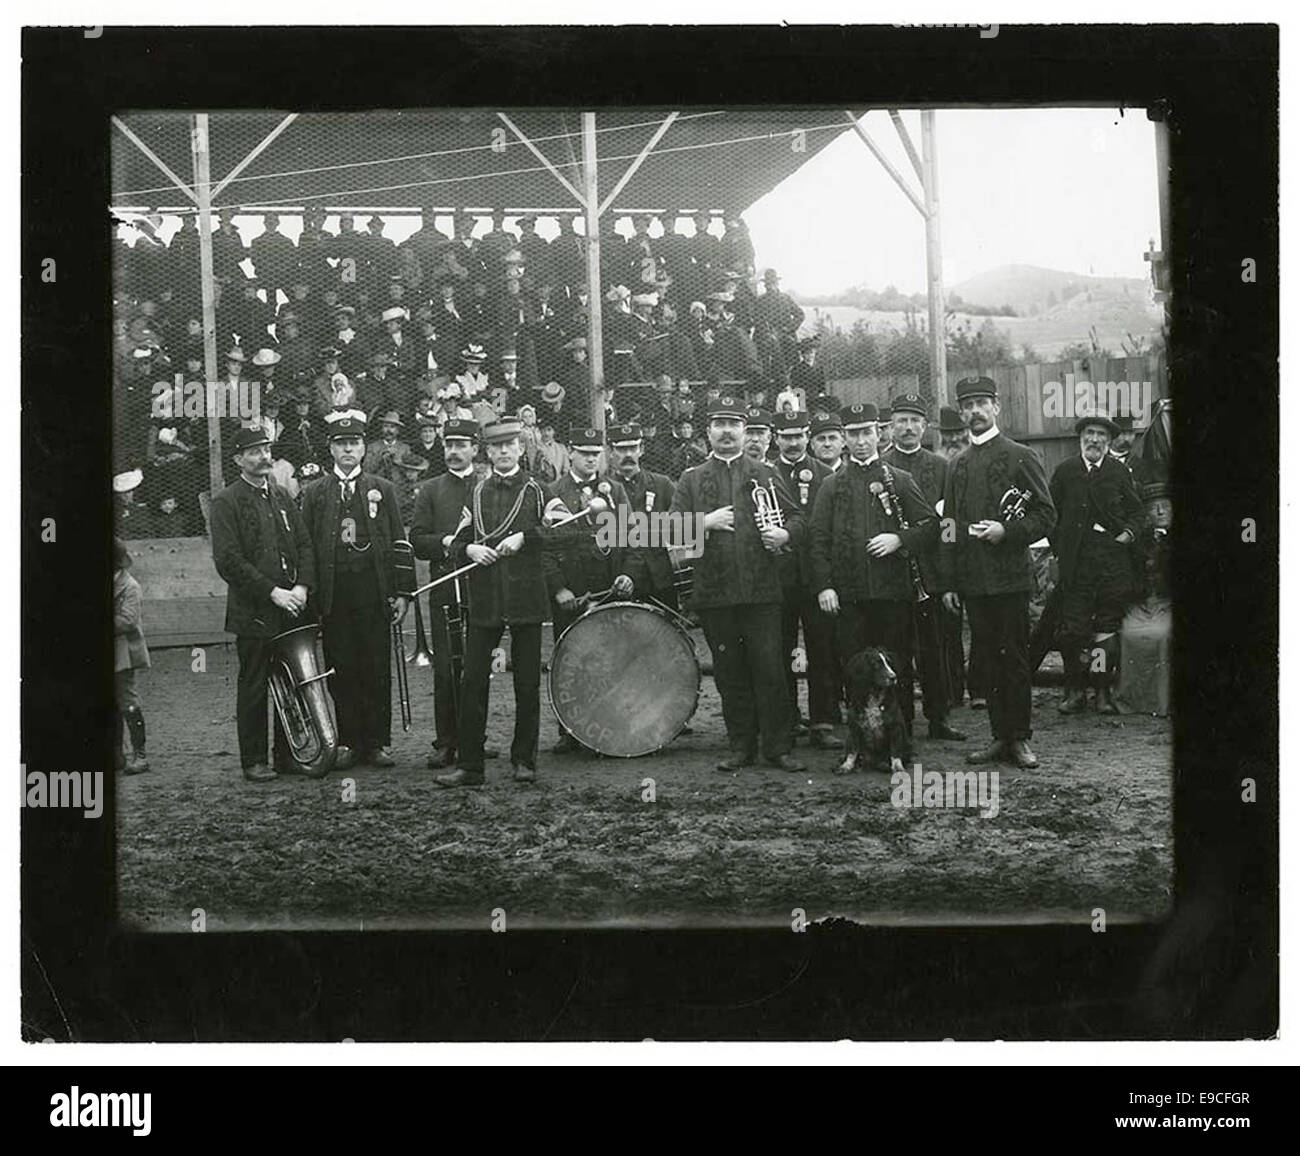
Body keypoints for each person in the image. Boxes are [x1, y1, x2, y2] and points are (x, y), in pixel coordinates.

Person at [668, 395, 807, 773]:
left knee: (770, 670)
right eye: (719, 424)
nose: (727, 431)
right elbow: (668, 531)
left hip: (762, 593)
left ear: (746, 431)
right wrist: (704, 522)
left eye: (734, 424)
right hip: (715, 594)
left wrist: (784, 534)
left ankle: (777, 748)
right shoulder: (691, 479)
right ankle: (740, 747)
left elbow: (798, 520)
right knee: (730, 674)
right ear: (708, 432)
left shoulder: (765, 472)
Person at [436, 415, 563, 787]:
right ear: (487, 452)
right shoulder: (476, 492)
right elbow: (457, 542)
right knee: (473, 681)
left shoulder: (539, 491)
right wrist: (471, 549)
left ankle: (524, 761)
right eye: (497, 447)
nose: (504, 452)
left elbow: (566, 532)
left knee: (526, 685)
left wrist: (526, 538)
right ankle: (470, 767)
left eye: (510, 445)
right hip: (486, 601)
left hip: (526, 600)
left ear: (521, 449)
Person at [937, 377, 1055, 770]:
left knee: (1015, 660)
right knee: (986, 659)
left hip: (1009, 578)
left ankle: (1019, 739)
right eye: (967, 405)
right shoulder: (957, 465)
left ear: (997, 407)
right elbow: (949, 525)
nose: (974, 411)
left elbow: (1046, 515)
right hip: (972, 581)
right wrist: (950, 581)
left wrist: (1007, 531)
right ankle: (997, 737)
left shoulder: (1021, 455)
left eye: (981, 403)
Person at [809, 403, 937, 761]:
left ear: (879, 433)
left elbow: (930, 527)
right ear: (845, 440)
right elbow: (817, 539)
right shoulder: (831, 485)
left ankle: (900, 745)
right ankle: (860, 746)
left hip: (892, 594)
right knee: (855, 670)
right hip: (848, 597)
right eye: (853, 434)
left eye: (867, 432)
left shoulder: (901, 479)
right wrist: (825, 586)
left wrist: (900, 540)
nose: (861, 441)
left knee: (897, 669)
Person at [299, 410, 410, 769]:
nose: (348, 449)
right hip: (335, 596)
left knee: (376, 666)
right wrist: (311, 595)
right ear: (330, 449)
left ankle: (377, 742)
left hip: (374, 593)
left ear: (364, 448)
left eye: (354, 443)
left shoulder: (383, 489)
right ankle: (348, 741)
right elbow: (306, 548)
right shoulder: (314, 493)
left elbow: (399, 543)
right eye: (341, 443)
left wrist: (402, 593)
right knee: (341, 667)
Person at [209, 426, 315, 782]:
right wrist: (273, 592)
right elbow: (228, 561)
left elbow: (304, 544)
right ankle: (254, 761)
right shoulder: (226, 501)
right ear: (238, 459)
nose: (264, 456)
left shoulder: (283, 495)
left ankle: (288, 755)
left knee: (294, 683)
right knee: (254, 684)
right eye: (254, 451)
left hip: (291, 605)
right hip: (254, 610)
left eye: (267, 449)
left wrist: (301, 586)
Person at [542, 427, 633, 752]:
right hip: (571, 595)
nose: (591, 458)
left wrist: (627, 576)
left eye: (596, 453)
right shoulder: (552, 492)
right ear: (570, 453)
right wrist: (559, 589)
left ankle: (612, 728)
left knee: (614, 660)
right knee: (572, 662)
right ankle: (570, 731)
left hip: (610, 590)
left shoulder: (616, 492)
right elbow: (546, 548)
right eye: (584, 452)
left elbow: (631, 538)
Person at [883, 394, 966, 741]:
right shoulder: (880, 464)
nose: (908, 427)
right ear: (890, 427)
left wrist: (947, 579)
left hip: (930, 573)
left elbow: (948, 523)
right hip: (891, 574)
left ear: (924, 426)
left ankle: (939, 717)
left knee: (935, 650)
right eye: (901, 421)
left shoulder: (940, 466)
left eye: (914, 421)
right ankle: (900, 718)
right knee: (897, 650)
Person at [1049, 414, 1142, 715]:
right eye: (1090, 433)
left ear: (1109, 441)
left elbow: (1137, 514)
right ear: (1081, 437)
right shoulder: (1065, 472)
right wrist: (1059, 549)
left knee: (1105, 630)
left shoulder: (1119, 472)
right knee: (1072, 632)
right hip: (1076, 567)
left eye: (1102, 435)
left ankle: (1102, 691)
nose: (1095, 439)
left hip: (1112, 566)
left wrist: (1127, 535)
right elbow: (1049, 515)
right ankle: (1075, 691)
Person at [410, 418, 481, 770]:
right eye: (448, 445)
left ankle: (475, 739)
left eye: (461, 445)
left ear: (475, 450)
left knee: (477, 665)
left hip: (482, 586)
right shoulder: (430, 490)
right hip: (444, 584)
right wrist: (448, 542)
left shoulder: (487, 485)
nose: (454, 452)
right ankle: (446, 740)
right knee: (446, 666)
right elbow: (418, 541)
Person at [771, 411, 841, 749]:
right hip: (779, 579)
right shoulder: (765, 474)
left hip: (816, 578)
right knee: (780, 649)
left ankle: (823, 722)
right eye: (786, 436)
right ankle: (786, 720)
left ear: (807, 436)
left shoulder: (826, 475)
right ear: (776, 438)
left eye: (799, 435)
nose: (793, 442)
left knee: (822, 649)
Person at [608, 422, 679, 606]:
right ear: (610, 452)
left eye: (633, 448)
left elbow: (682, 523)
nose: (628, 455)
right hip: (619, 581)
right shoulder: (604, 490)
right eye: (622, 450)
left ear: (642, 449)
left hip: (659, 580)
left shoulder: (662, 485)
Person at [1116, 481, 1171, 715]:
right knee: (1129, 633)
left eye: (1165, 506)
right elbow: (1125, 575)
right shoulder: (1137, 540)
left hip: (1169, 602)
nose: (1160, 512)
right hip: (1140, 602)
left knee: (1163, 634)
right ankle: (1135, 700)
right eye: (1153, 507)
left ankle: (1163, 702)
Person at [114, 538, 152, 775]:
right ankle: (116, 754)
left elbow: (128, 621)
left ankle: (140, 754)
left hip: (124, 652)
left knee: (128, 702)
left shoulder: (130, 586)